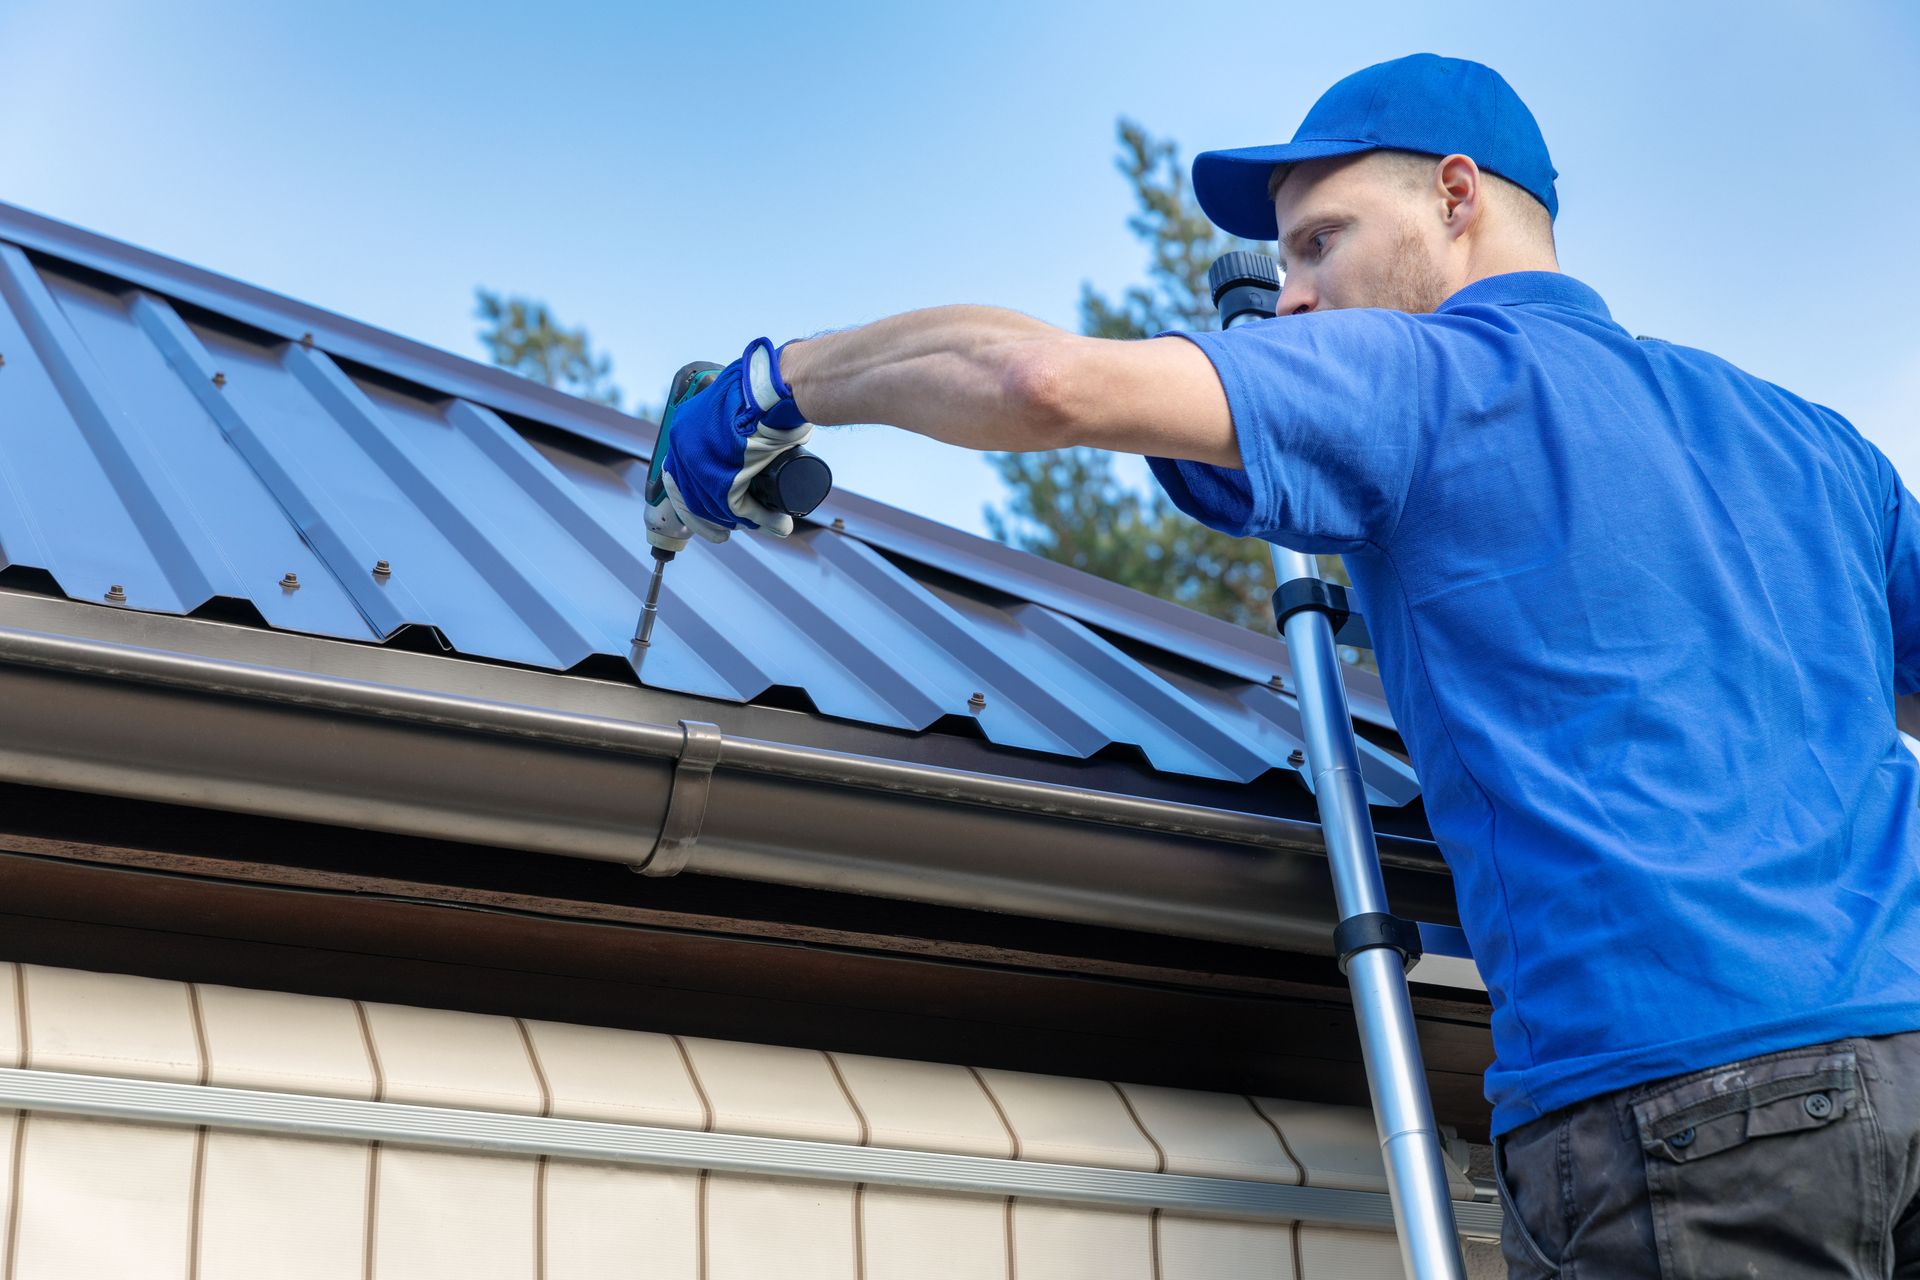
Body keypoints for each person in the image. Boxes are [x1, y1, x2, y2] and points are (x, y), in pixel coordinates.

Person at [657, 53, 1920, 1276]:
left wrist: (780, 381)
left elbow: (1040, 382)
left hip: (1684, 1100)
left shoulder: (1422, 376)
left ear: (1457, 195)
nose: (1297, 296)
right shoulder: (1810, 443)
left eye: (1321, 240)